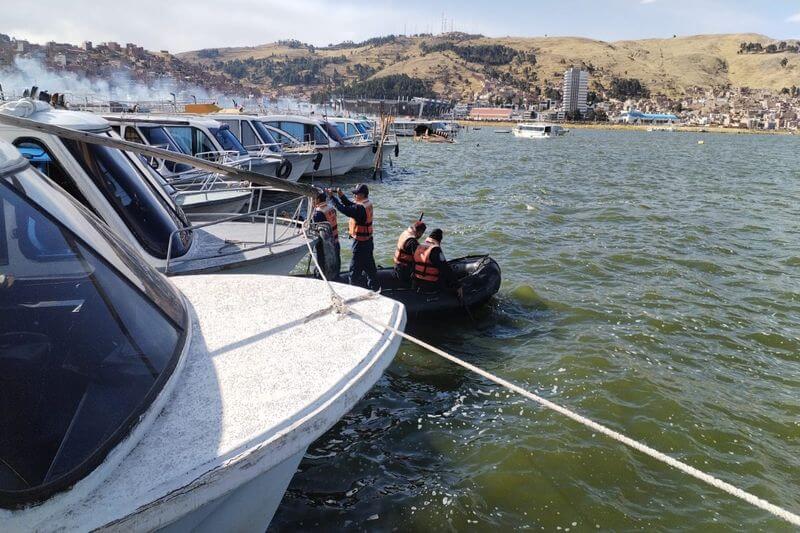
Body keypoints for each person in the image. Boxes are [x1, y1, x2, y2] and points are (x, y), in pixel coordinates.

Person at [328, 183, 379, 290]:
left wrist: (332, 197)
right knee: (370, 268)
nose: (355, 195)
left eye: (356, 194)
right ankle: (375, 288)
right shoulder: (366, 204)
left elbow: (344, 209)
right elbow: (350, 205)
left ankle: (353, 291)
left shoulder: (360, 209)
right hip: (368, 242)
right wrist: (341, 196)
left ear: (363, 195)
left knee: (354, 271)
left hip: (360, 245)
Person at [412, 228, 457, 292]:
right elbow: (445, 268)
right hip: (431, 283)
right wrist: (457, 285)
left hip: (417, 282)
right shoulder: (435, 250)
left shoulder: (419, 246)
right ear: (439, 239)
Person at [311, 190, 340, 276]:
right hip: (335, 242)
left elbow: (309, 226)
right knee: (335, 268)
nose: (312, 201)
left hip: (325, 248)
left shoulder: (318, 213)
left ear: (318, 200)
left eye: (313, 199)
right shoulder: (331, 208)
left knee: (321, 270)